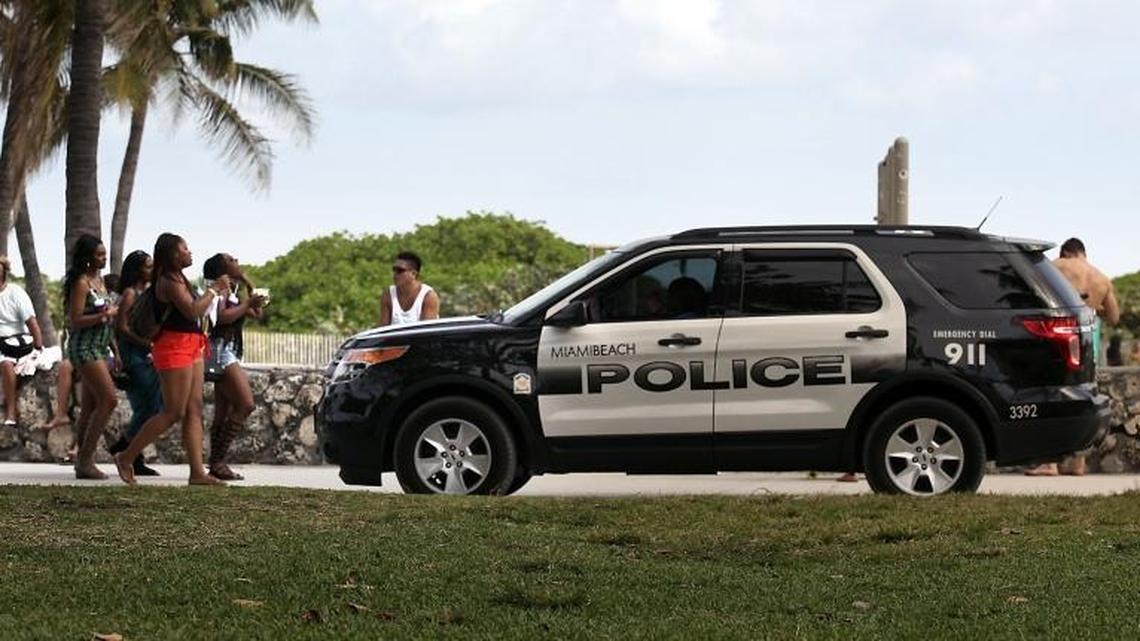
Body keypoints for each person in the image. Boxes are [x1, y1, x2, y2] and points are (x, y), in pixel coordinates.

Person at [114, 234, 230, 485]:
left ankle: (197, 473)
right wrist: (214, 289)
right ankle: (126, 456)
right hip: (173, 346)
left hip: (192, 344)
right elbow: (192, 310)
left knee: (194, 410)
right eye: (185, 248)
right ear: (173, 254)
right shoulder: (168, 280)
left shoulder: (179, 278)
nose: (190, 252)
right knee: (172, 412)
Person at [1026, 237, 1120, 477]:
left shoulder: (1058, 266)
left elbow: (1033, 291)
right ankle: (1078, 463)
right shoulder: (1102, 278)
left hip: (1060, 337)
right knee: (1083, 399)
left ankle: (1049, 463)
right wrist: (1093, 305)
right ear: (1083, 253)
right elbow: (1114, 318)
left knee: (1050, 396)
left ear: (1066, 252)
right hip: (1090, 340)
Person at [202, 253, 265, 481]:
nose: (237, 260)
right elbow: (221, 318)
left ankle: (216, 464)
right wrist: (248, 302)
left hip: (229, 350)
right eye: (232, 260)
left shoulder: (234, 292)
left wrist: (249, 286)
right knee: (246, 404)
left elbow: (258, 314)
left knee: (223, 410)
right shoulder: (219, 290)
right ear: (222, 269)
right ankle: (218, 461)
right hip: (220, 351)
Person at [64, 235, 119, 480]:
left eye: (104, 253)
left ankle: (82, 460)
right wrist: (103, 316)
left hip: (100, 347)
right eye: (99, 254)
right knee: (109, 400)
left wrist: (115, 350)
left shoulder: (100, 281)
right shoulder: (82, 283)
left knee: (90, 406)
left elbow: (107, 324)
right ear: (87, 257)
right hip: (84, 347)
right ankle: (86, 459)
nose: (104, 258)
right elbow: (74, 321)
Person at [107, 250, 161, 477]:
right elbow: (122, 328)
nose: (152, 269)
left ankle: (132, 454)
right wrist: (146, 344)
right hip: (134, 354)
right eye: (148, 266)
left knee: (148, 407)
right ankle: (126, 447)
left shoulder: (148, 293)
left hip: (145, 352)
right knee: (148, 407)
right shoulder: (130, 294)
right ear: (138, 270)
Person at [0, 255, 44, 426]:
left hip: (15, 343)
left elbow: (31, 322)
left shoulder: (15, 292)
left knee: (6, 364)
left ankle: (11, 411)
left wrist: (38, 347)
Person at [377, 251, 439, 326]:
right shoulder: (388, 295)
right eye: (394, 270)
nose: (395, 274)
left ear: (413, 274)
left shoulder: (428, 297)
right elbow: (383, 329)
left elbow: (427, 332)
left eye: (400, 271)